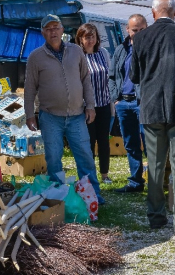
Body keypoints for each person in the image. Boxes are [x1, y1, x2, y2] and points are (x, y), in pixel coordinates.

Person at [24, 14, 105, 205]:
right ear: (43, 32)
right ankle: (57, 197)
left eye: (56, 27)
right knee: (53, 158)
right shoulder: (36, 57)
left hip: (77, 115)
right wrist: (29, 115)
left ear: (62, 30)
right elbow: (29, 88)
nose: (53, 32)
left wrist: (90, 106)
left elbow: (86, 79)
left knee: (85, 155)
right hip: (50, 116)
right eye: (49, 29)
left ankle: (93, 194)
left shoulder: (76, 51)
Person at [130, 0, 175, 233]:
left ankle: (156, 217)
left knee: (155, 165)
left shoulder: (140, 38)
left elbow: (134, 76)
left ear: (152, 14)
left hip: (151, 108)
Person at [108, 14, 147, 193]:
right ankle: (136, 182)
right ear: (127, 30)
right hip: (124, 103)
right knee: (130, 144)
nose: (137, 33)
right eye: (134, 30)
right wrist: (116, 99)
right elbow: (112, 76)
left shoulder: (151, 48)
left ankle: (155, 183)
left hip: (144, 103)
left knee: (149, 144)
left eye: (141, 30)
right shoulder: (120, 49)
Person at [75, 23, 113, 184]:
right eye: (87, 37)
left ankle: (104, 174)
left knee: (104, 140)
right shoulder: (78, 57)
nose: (90, 40)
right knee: (89, 142)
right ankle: (89, 176)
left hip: (104, 104)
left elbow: (110, 76)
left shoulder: (103, 53)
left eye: (93, 36)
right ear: (80, 39)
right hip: (87, 107)